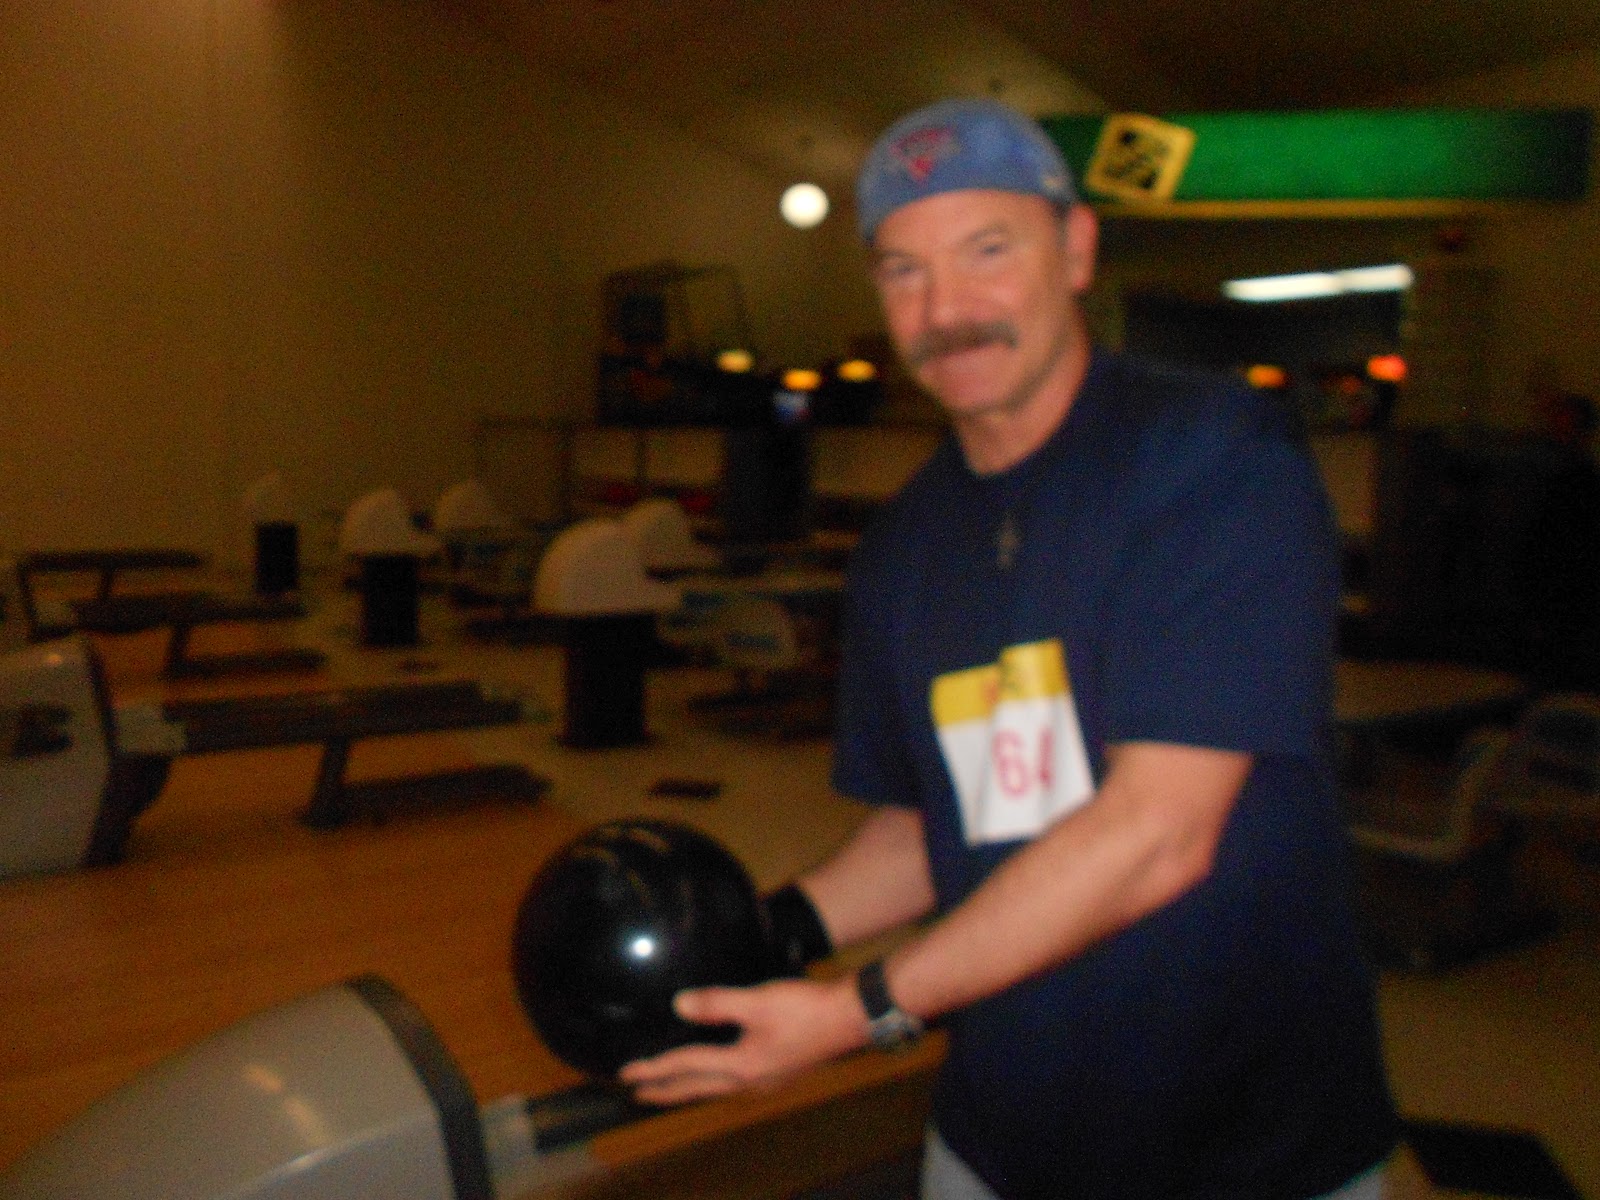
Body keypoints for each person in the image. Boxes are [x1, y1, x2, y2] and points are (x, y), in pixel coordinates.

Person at [621, 97, 1398, 1200]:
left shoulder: (1210, 455)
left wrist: (859, 1010)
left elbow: (1156, 835)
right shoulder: (902, 547)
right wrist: (761, 937)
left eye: (987, 250)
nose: (948, 308)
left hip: (1244, 1146)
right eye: (903, 270)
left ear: (1076, 248)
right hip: (1001, 1137)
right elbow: (930, 823)